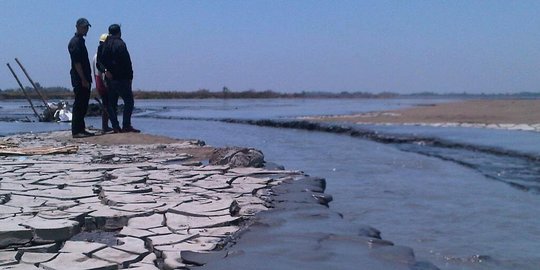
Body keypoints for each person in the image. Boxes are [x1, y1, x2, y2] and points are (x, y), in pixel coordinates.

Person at [100, 24, 140, 133]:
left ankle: (115, 126)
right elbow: (127, 62)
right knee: (129, 101)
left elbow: (99, 61)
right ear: (119, 32)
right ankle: (126, 125)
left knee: (112, 104)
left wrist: (105, 71)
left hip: (110, 78)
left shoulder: (104, 44)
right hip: (121, 78)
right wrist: (130, 76)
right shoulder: (120, 44)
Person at [68, 18, 95, 138]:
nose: (86, 29)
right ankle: (76, 131)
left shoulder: (80, 41)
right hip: (79, 78)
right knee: (79, 104)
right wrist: (83, 79)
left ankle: (81, 129)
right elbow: (77, 63)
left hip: (84, 77)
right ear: (77, 27)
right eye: (84, 27)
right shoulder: (75, 42)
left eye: (87, 27)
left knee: (84, 104)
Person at [92, 33, 113, 133]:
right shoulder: (100, 55)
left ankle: (105, 126)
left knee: (106, 104)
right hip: (102, 82)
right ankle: (105, 126)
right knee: (107, 104)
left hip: (98, 81)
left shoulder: (95, 55)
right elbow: (101, 72)